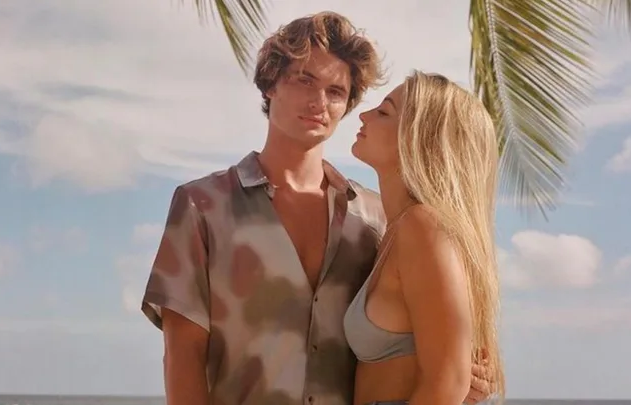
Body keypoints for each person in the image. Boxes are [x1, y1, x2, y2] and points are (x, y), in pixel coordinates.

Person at [140, 11, 497, 405]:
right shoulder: (202, 205)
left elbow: (414, 339)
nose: (318, 102)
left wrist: (461, 380)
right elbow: (183, 355)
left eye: (336, 92)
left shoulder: (378, 220)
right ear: (271, 83)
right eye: (304, 80)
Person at [344, 71, 505, 405]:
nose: (363, 114)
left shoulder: (422, 227)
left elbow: (447, 383)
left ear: (420, 139)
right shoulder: (398, 229)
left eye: (384, 112)